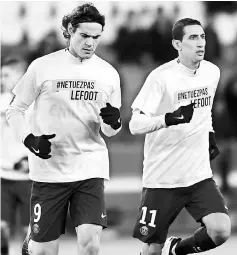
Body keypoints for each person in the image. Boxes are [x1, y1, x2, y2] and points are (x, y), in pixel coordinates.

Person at [6, 3, 122, 255]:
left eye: (96, 37)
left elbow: (109, 130)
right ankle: (33, 245)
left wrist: (113, 123)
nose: (90, 42)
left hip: (90, 165)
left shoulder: (109, 74)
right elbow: (14, 110)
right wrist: (30, 140)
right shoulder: (42, 67)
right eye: (84, 35)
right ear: (70, 30)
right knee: (44, 252)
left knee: (90, 244)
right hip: (49, 171)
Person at [129, 18, 231, 255]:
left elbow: (205, 112)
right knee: (152, 248)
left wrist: (210, 133)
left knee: (221, 229)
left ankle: (176, 250)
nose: (200, 43)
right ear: (177, 44)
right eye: (192, 38)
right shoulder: (161, 77)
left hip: (198, 175)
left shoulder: (212, 72)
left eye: (202, 37)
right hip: (163, 178)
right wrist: (167, 119)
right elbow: (135, 124)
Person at [1, 57, 31, 255]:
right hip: (3, 175)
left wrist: (29, 159)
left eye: (6, 75)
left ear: (20, 77)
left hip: (28, 178)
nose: (2, 79)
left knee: (29, 232)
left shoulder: (33, 103)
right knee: (1, 227)